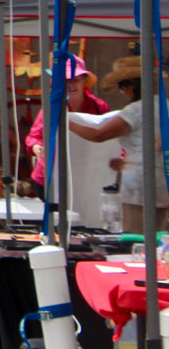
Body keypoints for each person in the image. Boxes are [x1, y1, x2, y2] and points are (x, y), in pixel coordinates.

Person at [70, 57, 168, 233]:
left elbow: (98, 135)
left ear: (130, 87)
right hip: (164, 184)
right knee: (161, 241)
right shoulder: (165, 105)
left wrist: (67, 122)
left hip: (140, 187)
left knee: (137, 239)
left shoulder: (136, 110)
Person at [25, 55, 105, 193]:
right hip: (49, 178)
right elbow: (33, 137)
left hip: (86, 176)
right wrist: (36, 147)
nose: (71, 84)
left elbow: (111, 135)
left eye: (76, 80)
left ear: (84, 81)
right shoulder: (52, 107)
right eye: (67, 80)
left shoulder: (99, 107)